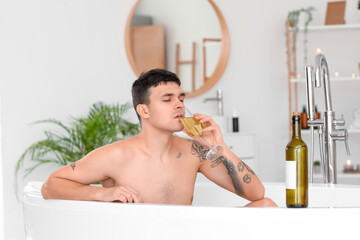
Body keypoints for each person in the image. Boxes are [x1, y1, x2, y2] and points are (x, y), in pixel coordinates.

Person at [41, 69, 277, 207]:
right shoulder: (116, 155)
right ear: (143, 111)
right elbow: (50, 186)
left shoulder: (195, 152)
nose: (179, 105)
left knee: (266, 207)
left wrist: (220, 147)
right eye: (167, 99)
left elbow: (257, 195)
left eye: (181, 98)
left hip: (188, 233)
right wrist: (102, 194)